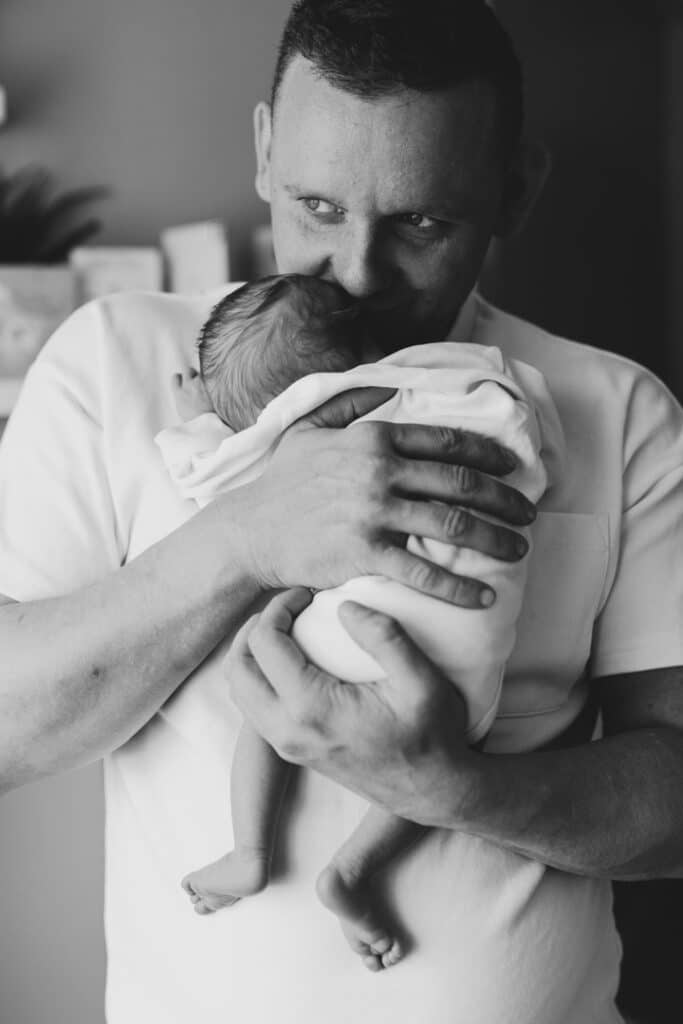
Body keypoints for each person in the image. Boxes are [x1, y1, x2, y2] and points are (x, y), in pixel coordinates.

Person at [0, 1, 682, 1021]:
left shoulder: (611, 409)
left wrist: (455, 788)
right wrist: (245, 534)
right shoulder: (117, 363)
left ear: (513, 190)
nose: (357, 273)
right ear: (266, 149)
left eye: (419, 222)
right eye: (317, 207)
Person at [153, 272, 555, 970]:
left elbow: (215, 488)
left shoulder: (309, 425)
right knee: (436, 755)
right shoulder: (471, 377)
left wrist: (201, 424)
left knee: (264, 685)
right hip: (472, 630)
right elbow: (530, 431)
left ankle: (250, 851)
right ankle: (353, 871)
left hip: (356, 622)